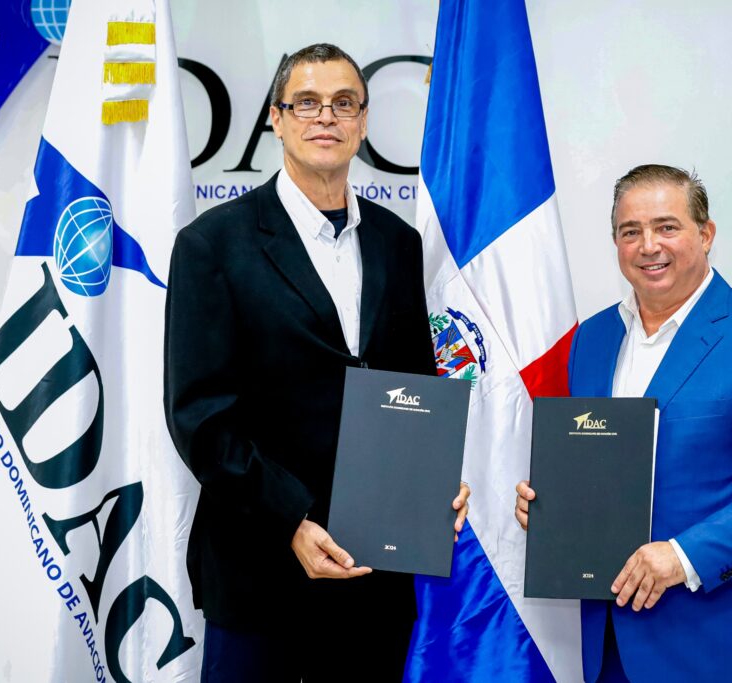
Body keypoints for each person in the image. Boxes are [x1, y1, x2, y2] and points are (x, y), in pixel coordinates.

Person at [164, 43, 469, 682]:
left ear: (361, 121)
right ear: (276, 119)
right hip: (259, 568)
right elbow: (201, 418)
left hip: (375, 573)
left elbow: (412, 388)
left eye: (343, 103)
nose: (324, 116)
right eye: (306, 103)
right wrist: (292, 521)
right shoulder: (212, 245)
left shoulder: (398, 243)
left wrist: (431, 479)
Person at [515, 165, 732, 682]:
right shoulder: (591, 340)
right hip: (609, 644)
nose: (648, 245)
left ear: (705, 235)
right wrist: (552, 506)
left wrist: (683, 557)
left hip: (724, 643)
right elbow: (596, 462)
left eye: (667, 226)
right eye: (630, 231)